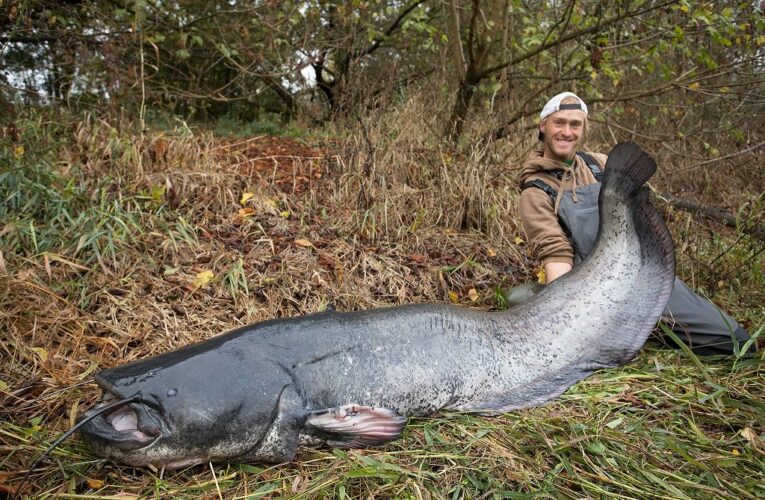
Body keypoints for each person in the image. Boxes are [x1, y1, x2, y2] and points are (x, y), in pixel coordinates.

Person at [511, 91, 752, 356]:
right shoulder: (535, 192)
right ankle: (536, 302)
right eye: (559, 122)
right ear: (543, 125)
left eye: (575, 124)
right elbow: (557, 256)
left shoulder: (601, 165)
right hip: (595, 294)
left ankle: (647, 326)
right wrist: (570, 323)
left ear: (583, 129)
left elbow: (644, 221)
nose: (567, 132)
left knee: (737, 342)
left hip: (643, 276)